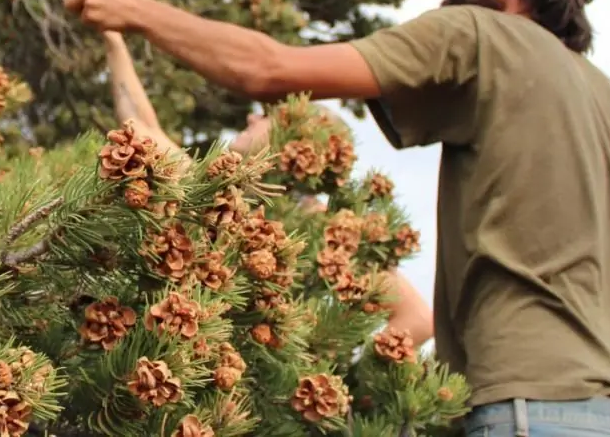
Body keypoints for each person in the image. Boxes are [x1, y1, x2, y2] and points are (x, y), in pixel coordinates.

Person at [49, 0, 610, 435]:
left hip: (525, 407)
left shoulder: (481, 33)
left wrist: (134, 9)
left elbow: (267, 69)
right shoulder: (601, 97)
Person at [101, 30, 435, 345]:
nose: (250, 119)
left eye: (266, 116)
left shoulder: (326, 233)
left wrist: (338, 372)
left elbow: (417, 319)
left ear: (298, 144)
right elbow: (139, 123)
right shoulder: (212, 196)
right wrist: (113, 37)